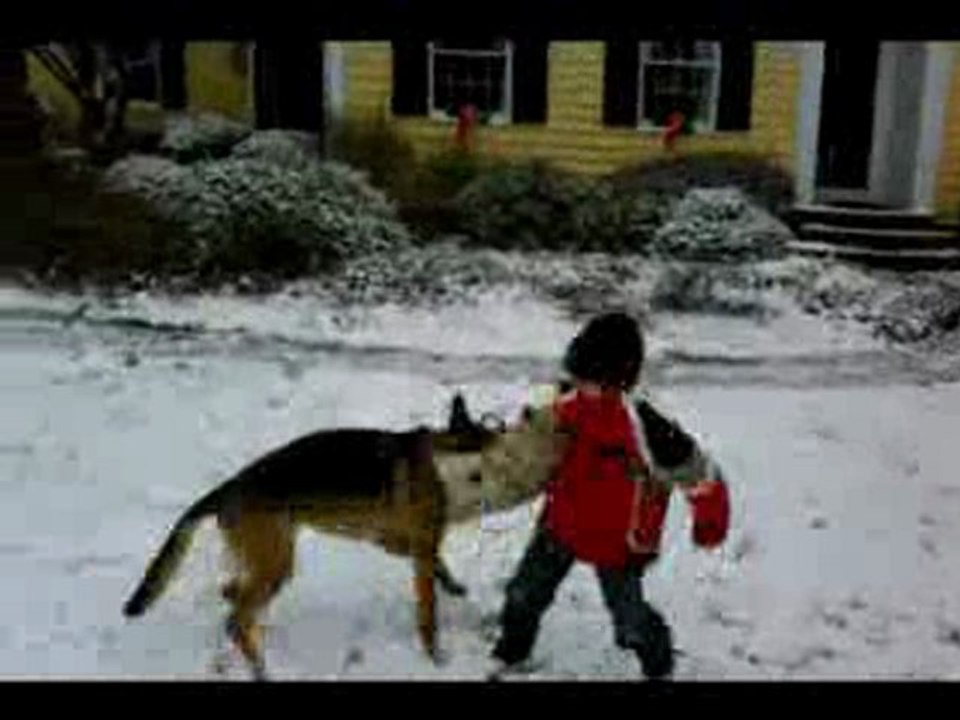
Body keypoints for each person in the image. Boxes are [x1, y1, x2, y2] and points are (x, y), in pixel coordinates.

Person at [489, 311, 729, 680]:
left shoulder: (649, 428)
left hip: (619, 544)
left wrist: (709, 523)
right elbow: (528, 440)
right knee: (523, 596)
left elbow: (704, 478)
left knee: (630, 625)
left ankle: (659, 665)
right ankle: (511, 653)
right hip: (562, 525)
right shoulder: (565, 405)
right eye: (577, 377)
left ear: (620, 379)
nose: (580, 388)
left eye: (590, 381)